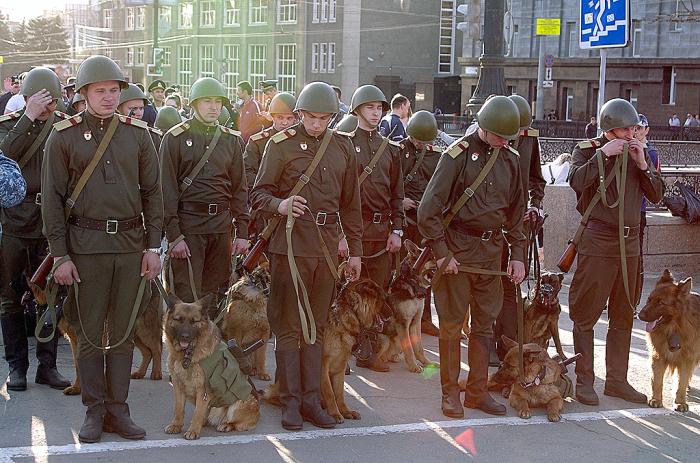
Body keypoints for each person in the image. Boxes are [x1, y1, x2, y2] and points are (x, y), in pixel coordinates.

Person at [42, 55, 163, 443]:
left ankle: (118, 410)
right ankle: (94, 411)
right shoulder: (63, 136)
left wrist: (153, 247)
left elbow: (153, 195)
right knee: (91, 333)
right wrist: (60, 255)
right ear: (84, 94)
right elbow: (52, 201)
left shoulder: (138, 134)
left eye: (114, 91)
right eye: (101, 91)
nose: (109, 98)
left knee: (124, 332)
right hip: (86, 247)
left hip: (130, 246)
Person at [250, 81, 363, 431]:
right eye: (311, 117)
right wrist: (280, 204)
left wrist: (355, 253)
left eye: (324, 118)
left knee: (316, 326)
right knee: (288, 328)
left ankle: (313, 400)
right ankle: (291, 401)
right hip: (289, 247)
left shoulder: (342, 147)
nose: (317, 124)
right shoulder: (279, 145)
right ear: (299, 114)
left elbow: (352, 205)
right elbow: (257, 196)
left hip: (326, 249)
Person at [417, 95, 527, 419]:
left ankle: (478, 392)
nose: (503, 142)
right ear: (483, 126)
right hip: (457, 254)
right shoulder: (456, 157)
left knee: (483, 326)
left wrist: (517, 256)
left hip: (491, 256)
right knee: (451, 327)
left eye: (509, 138)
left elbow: (516, 216)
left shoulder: (511, 160)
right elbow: (428, 211)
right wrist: (441, 254)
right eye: (498, 136)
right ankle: (450, 393)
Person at [567, 98, 664, 407]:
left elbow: (658, 194)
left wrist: (642, 163)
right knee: (585, 314)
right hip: (598, 242)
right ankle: (584, 380)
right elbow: (575, 182)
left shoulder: (640, 153)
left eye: (633, 130)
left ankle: (617, 381)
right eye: (625, 131)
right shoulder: (586, 150)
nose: (630, 136)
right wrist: (601, 157)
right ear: (610, 129)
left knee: (623, 313)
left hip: (630, 244)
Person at [0, 67, 70, 393]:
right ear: (26, 98)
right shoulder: (9, 128)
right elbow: (6, 155)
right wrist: (26, 117)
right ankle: (16, 367)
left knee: (50, 298)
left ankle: (48, 366)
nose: (46, 106)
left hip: (50, 225)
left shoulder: (65, 128)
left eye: (50, 100)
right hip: (15, 223)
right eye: (39, 99)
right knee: (11, 299)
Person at [160, 77, 249, 304]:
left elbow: (239, 188)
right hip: (188, 227)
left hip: (220, 227)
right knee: (186, 298)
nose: (214, 107)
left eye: (218, 102)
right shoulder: (175, 139)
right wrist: (174, 236)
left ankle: (211, 340)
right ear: (194, 104)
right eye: (207, 101)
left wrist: (243, 231)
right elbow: (166, 191)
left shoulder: (230, 141)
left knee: (215, 296)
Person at [343, 85, 404, 372]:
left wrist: (398, 230)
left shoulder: (390, 150)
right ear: (357, 110)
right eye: (369, 108)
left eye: (379, 108)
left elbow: (396, 195)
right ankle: (340, 352)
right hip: (352, 231)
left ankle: (368, 352)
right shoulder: (342, 143)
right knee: (346, 295)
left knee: (377, 295)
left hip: (381, 234)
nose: (375, 112)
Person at [493, 94, 546, 362]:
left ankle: (510, 343)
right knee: (489, 282)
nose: (518, 134)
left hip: (519, 224)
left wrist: (535, 204)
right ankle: (490, 341)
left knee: (513, 283)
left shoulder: (529, 138)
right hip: (490, 223)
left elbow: (538, 178)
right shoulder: (492, 135)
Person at [399, 110, 443, 336]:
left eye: (426, 142)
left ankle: (424, 318)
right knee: (402, 270)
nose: (421, 145)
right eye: (417, 141)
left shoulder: (436, 156)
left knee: (428, 270)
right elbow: (390, 182)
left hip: (426, 222)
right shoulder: (399, 151)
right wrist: (400, 201)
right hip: (404, 220)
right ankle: (401, 315)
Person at [633, 113, 660, 307]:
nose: (636, 132)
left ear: (647, 130)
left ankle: (633, 301)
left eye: (640, 128)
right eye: (634, 128)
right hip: (623, 212)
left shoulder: (650, 153)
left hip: (639, 212)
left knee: (636, 260)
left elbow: (656, 186)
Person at [117, 84, 163, 148]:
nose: (139, 113)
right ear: (119, 108)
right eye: (133, 108)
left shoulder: (152, 136)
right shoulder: (111, 132)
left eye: (141, 108)